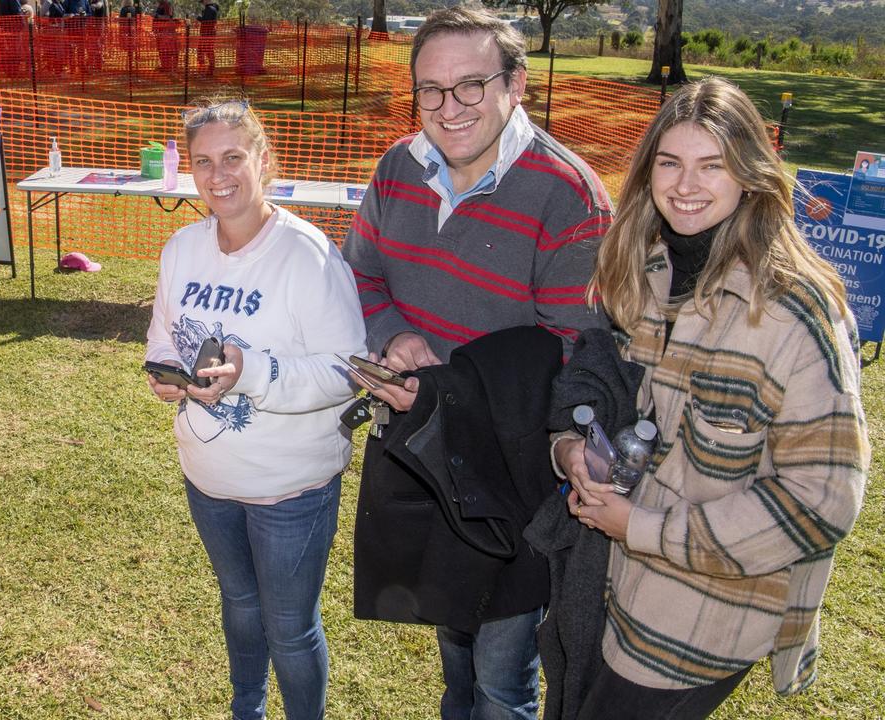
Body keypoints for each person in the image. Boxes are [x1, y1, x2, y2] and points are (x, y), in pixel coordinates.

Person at [553, 77, 869, 720]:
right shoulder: (651, 271)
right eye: (669, 163)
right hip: (617, 585)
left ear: (752, 174)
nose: (685, 185)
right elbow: (614, 389)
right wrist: (570, 446)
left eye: (711, 165)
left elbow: (824, 499)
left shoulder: (790, 311)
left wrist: (640, 526)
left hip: (702, 616)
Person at [340, 6, 612, 720]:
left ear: (515, 85)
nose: (448, 107)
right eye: (430, 89)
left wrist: (450, 389)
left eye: (470, 86)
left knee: (500, 676)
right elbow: (360, 274)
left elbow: (577, 350)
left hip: (512, 472)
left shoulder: (568, 196)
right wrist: (395, 335)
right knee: (456, 647)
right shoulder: (398, 168)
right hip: (424, 450)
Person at [145, 98, 366, 720]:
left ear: (264, 161)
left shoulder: (309, 255)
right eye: (205, 161)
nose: (219, 175)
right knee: (240, 604)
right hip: (209, 478)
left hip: (290, 487)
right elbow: (163, 333)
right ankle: (248, 708)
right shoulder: (182, 248)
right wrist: (165, 372)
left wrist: (252, 372)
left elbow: (347, 369)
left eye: (234, 157)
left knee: (289, 626)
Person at [152, 0, 176, 72]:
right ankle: (164, 67)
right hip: (160, 32)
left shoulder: (167, 4)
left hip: (166, 32)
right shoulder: (160, 5)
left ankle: (168, 68)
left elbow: (168, 17)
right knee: (161, 50)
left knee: (166, 50)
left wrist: (157, 16)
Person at [196, 0, 218, 75]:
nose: (202, 3)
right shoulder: (210, 8)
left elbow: (206, 21)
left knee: (206, 52)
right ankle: (206, 70)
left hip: (207, 34)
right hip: (207, 33)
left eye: (202, 1)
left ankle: (207, 70)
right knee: (204, 51)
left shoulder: (210, 9)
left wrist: (199, 18)